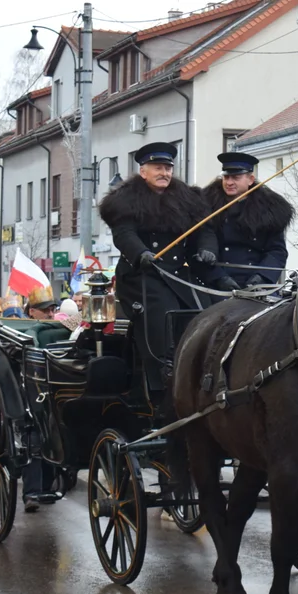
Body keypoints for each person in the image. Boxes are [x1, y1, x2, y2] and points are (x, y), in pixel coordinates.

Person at [98, 141, 217, 404]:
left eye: (167, 168)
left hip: (177, 275)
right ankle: (163, 384)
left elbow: (203, 231)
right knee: (162, 316)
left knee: (203, 312)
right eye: (157, 168)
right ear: (143, 171)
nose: (164, 173)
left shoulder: (187, 199)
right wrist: (141, 253)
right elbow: (124, 234)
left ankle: (205, 372)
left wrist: (207, 250)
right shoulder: (126, 200)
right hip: (142, 275)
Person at [200, 152, 293, 290]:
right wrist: (219, 278)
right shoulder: (206, 208)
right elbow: (197, 249)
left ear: (250, 179)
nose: (229, 182)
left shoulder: (270, 212)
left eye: (236, 178)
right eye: (226, 177)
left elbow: (277, 251)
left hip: (257, 285)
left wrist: (262, 277)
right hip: (216, 285)